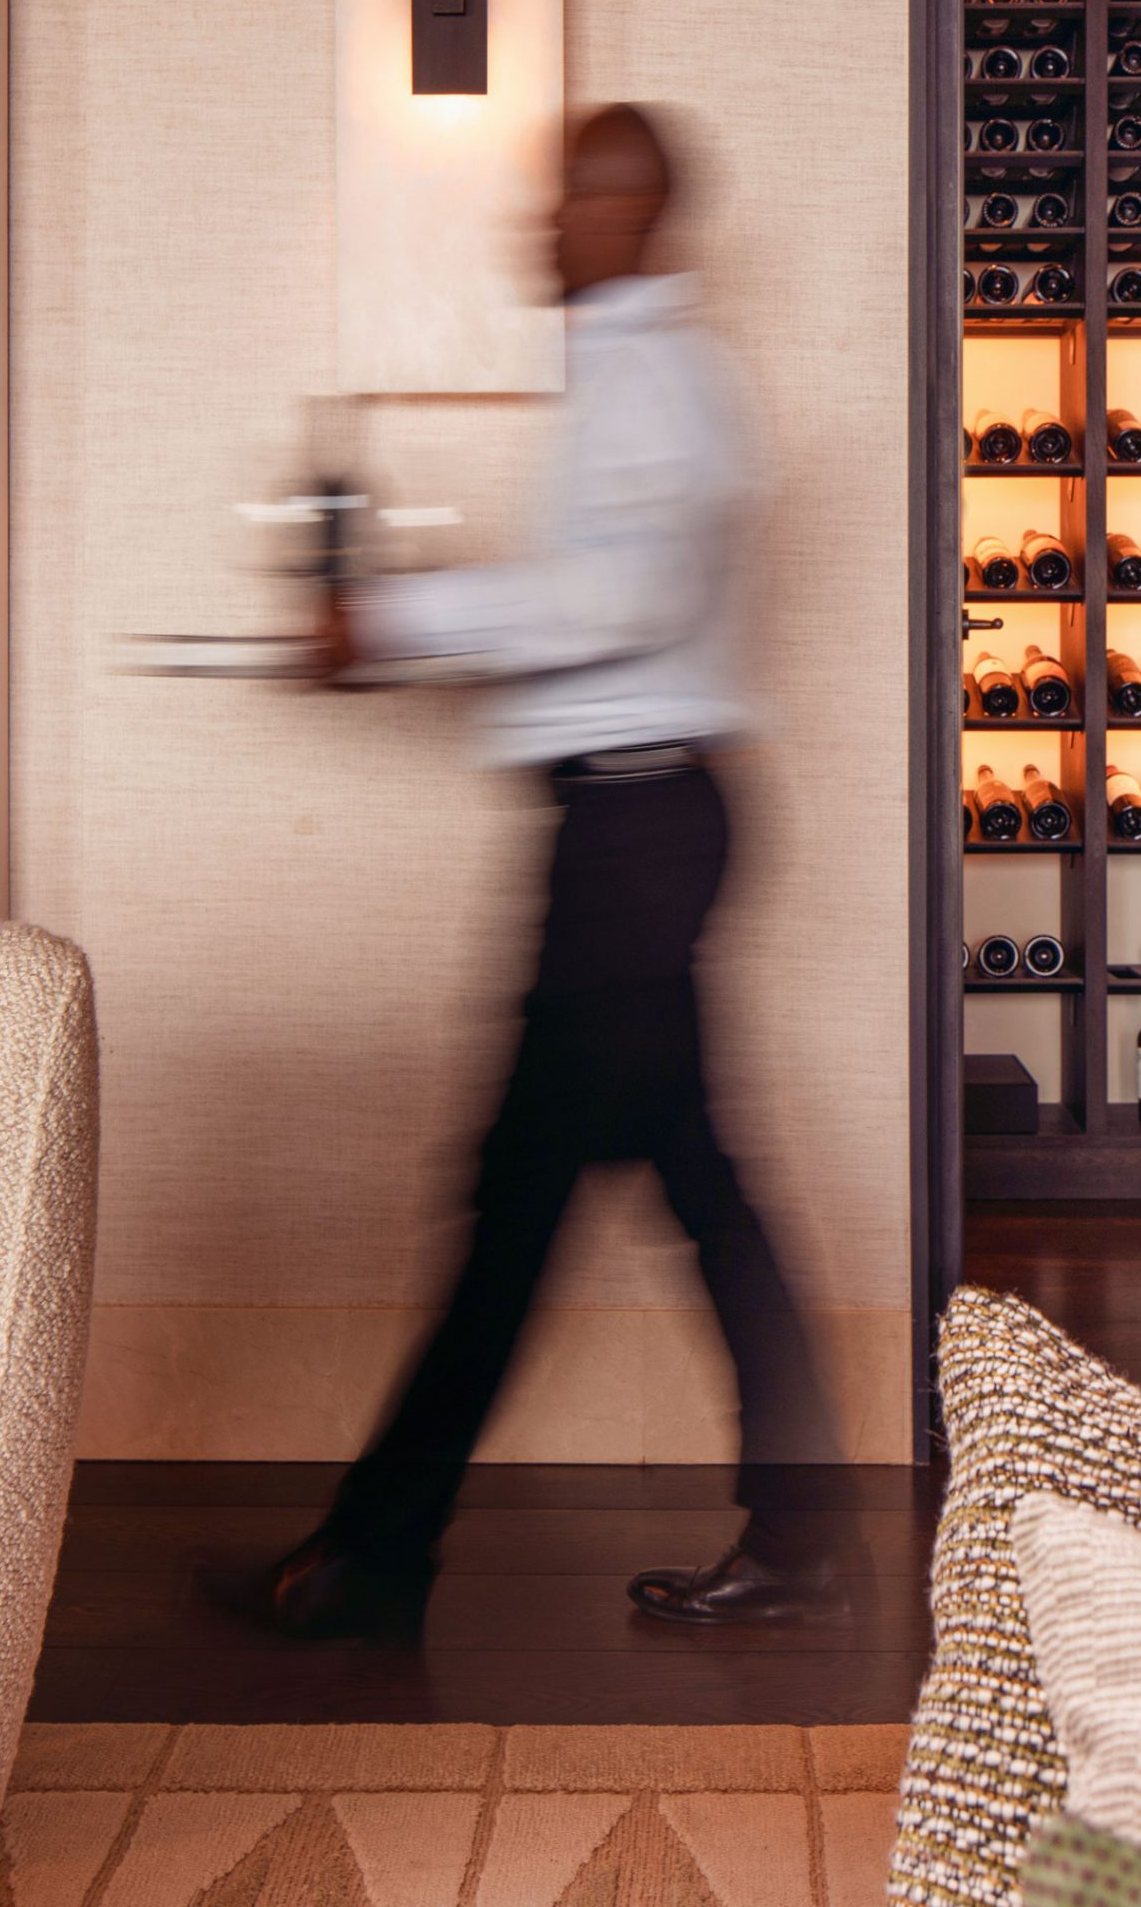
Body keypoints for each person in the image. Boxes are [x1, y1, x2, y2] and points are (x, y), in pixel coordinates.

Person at [253, 103, 844, 1638]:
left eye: (567, 199)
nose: (541, 223)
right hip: (632, 825)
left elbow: (615, 597)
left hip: (636, 832)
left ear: (633, 208)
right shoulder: (639, 379)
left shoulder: (657, 379)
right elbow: (594, 604)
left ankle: (377, 1556)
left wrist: (389, 622)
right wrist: (397, 628)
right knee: (648, 1191)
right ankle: (791, 1533)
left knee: (530, 1202)